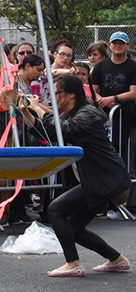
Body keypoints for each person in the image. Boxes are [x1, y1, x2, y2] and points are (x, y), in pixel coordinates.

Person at [22, 76, 130, 277]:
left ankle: (73, 263)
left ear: (71, 93)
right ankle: (116, 259)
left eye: (57, 93)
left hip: (105, 181)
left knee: (55, 210)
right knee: (74, 227)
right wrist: (26, 111)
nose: (54, 97)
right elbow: (46, 131)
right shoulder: (75, 114)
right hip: (101, 181)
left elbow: (62, 131)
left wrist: (37, 108)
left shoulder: (87, 114)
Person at [90, 31, 136, 175]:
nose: (118, 46)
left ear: (127, 46)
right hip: (104, 116)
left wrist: (113, 99)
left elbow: (133, 92)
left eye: (121, 43)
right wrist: (100, 99)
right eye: (115, 43)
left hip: (127, 116)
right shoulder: (101, 66)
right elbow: (92, 89)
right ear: (110, 46)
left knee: (126, 149)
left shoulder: (133, 66)